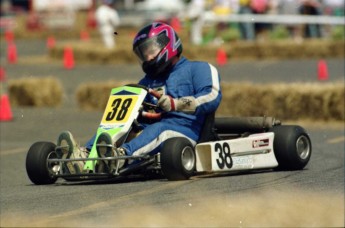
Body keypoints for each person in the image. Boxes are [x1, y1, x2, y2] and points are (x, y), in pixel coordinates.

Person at [56, 22, 222, 173]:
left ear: (168, 44)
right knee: (125, 126)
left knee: (161, 129)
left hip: (186, 132)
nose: (148, 58)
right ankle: (85, 156)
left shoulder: (198, 69)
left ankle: (120, 157)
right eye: (143, 55)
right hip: (154, 130)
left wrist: (176, 104)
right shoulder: (147, 82)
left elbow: (212, 96)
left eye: (151, 51)